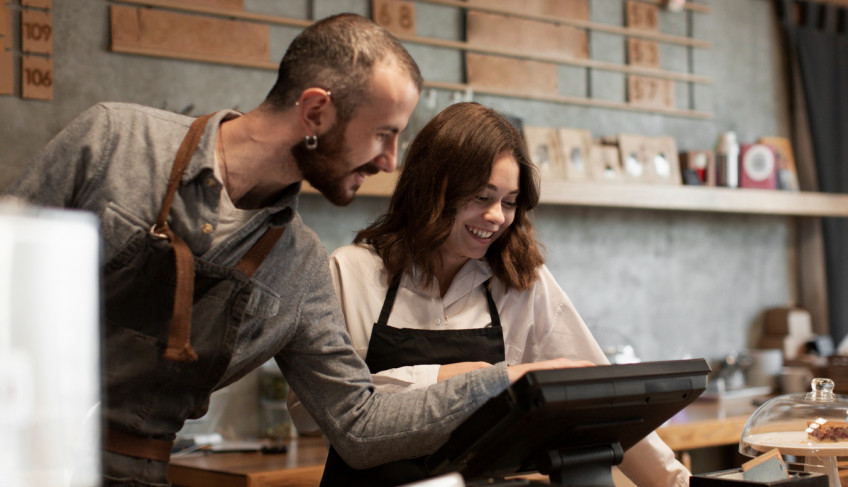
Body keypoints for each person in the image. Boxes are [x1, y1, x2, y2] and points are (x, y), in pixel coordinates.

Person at [3, 15, 577, 486]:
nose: (390, 162)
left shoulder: (300, 264)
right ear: (316, 113)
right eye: (383, 134)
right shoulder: (114, 143)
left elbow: (358, 423)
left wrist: (507, 379)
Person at [290, 102, 691, 486]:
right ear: (432, 188)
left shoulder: (519, 280)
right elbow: (308, 412)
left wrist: (678, 484)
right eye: (481, 197)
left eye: (510, 202)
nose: (497, 216)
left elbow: (600, 399)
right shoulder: (350, 271)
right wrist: (471, 378)